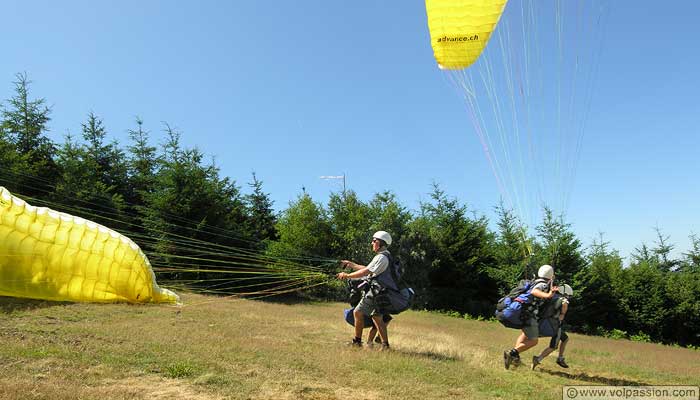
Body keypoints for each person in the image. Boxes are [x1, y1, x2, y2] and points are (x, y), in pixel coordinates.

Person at [337, 230, 397, 350]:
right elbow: (368, 268)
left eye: (374, 241)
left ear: (381, 243)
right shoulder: (385, 256)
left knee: (357, 312)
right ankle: (385, 345)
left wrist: (347, 275)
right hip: (382, 291)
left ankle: (357, 342)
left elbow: (366, 272)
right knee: (377, 316)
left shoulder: (381, 257)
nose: (372, 243)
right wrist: (351, 264)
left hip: (376, 291)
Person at [503, 264, 559, 369]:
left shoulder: (534, 281)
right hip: (529, 315)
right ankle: (512, 353)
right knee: (534, 341)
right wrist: (548, 295)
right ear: (551, 275)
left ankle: (515, 359)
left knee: (524, 335)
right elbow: (535, 291)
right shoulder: (543, 285)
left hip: (523, 313)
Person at [532, 283, 573, 370]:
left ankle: (560, 358)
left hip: (548, 322)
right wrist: (564, 307)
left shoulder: (553, 296)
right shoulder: (562, 300)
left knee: (565, 338)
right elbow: (563, 312)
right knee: (553, 346)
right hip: (555, 326)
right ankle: (538, 359)